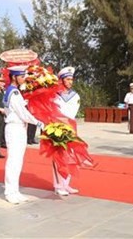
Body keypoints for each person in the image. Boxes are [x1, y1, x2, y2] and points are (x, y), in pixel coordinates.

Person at [4, 65, 43, 204]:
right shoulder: (13, 92)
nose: (23, 79)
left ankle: (15, 190)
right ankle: (9, 191)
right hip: (14, 127)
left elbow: (22, 107)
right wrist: (37, 122)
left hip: (20, 128)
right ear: (14, 77)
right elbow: (22, 113)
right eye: (21, 76)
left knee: (18, 160)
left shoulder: (16, 92)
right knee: (13, 160)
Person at [52, 66, 81, 196]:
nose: (70, 82)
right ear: (62, 80)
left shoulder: (75, 96)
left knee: (70, 156)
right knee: (58, 156)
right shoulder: (54, 95)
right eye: (68, 79)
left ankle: (66, 183)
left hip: (70, 127)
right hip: (57, 128)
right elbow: (53, 111)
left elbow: (73, 112)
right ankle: (58, 185)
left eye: (71, 79)